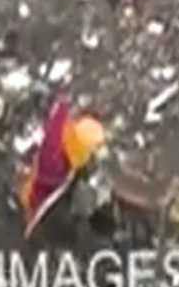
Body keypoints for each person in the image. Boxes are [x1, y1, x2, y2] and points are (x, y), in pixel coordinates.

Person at [17, 97, 110, 242]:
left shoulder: (63, 129)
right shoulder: (55, 169)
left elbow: (58, 113)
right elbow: (47, 197)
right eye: (91, 151)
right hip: (36, 197)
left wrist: (63, 102)